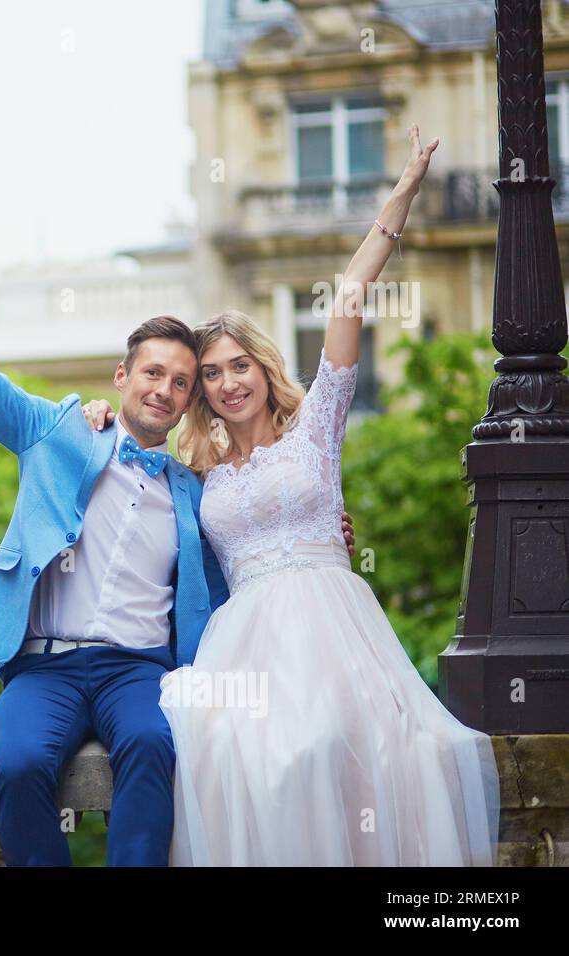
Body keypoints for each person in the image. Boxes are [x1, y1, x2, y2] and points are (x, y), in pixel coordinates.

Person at [0, 194, 354, 865]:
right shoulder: (56, 432)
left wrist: (324, 530)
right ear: (122, 376)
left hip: (138, 670)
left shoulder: (193, 492)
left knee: (156, 746)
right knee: (23, 762)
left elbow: (249, 559)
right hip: (44, 667)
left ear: (189, 401)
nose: (164, 390)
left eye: (181, 383)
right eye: (152, 373)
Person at [81, 125, 500, 864]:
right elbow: (133, 475)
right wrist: (95, 415)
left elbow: (349, 293)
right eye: (211, 374)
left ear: (263, 367)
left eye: (239, 365)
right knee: (243, 765)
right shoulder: (195, 470)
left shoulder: (317, 430)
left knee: (350, 757)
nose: (227, 382)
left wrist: (402, 189)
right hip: (243, 645)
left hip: (333, 629)